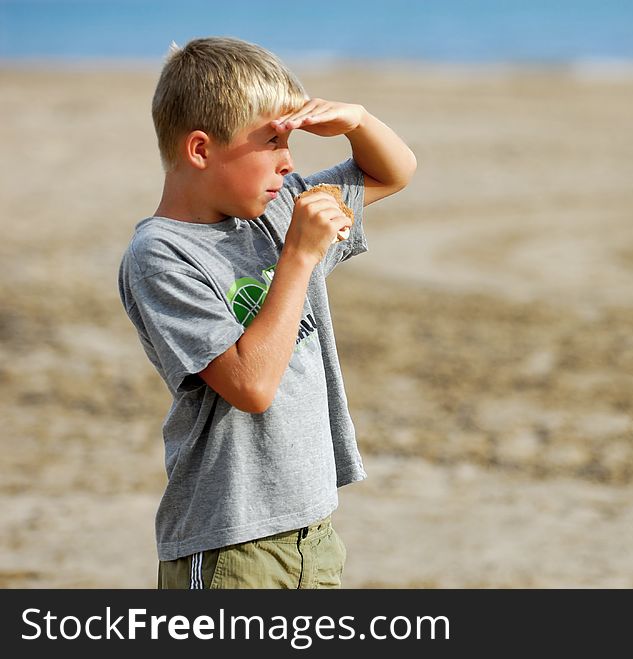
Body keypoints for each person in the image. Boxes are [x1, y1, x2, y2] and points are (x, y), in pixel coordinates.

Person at [117, 36, 416, 589]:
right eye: (274, 141)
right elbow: (251, 387)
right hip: (231, 539)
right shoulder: (160, 255)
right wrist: (300, 256)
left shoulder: (276, 206)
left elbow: (393, 173)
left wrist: (358, 121)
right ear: (201, 150)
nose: (289, 161)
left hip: (313, 528)